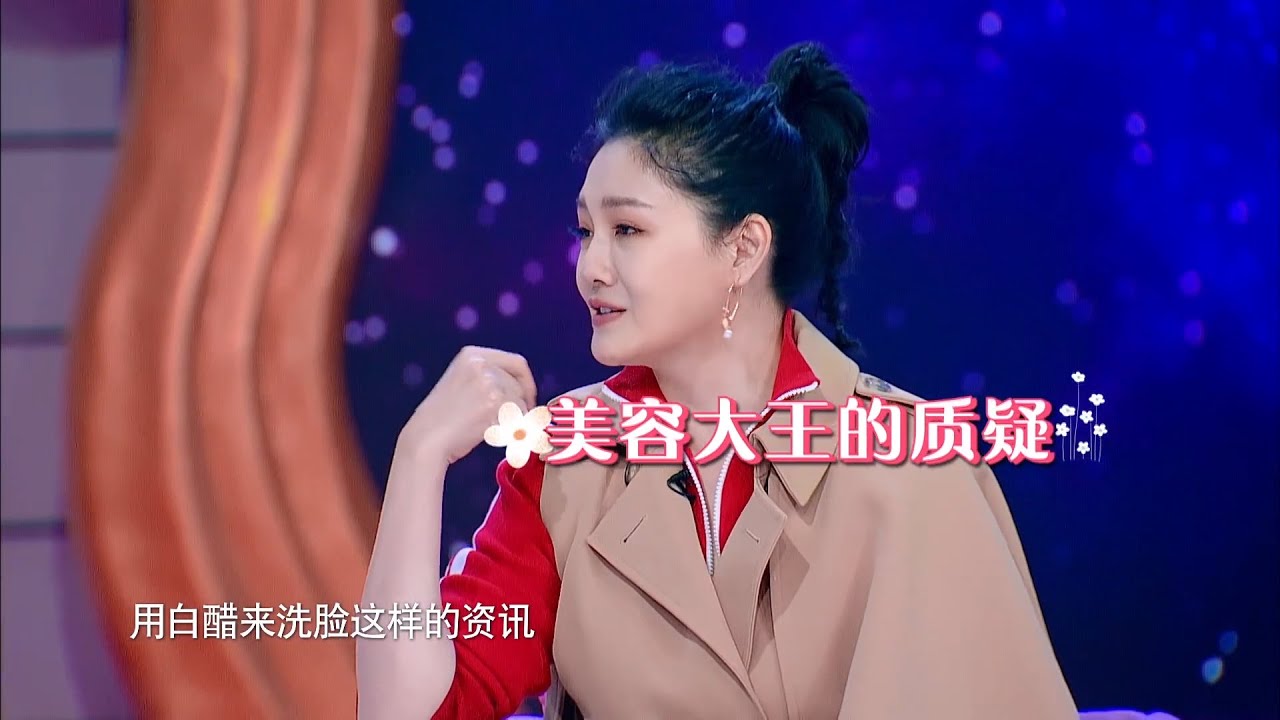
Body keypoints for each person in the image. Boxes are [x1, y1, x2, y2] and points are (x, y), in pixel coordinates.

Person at [358, 42, 1126, 719]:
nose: (590, 267)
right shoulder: (564, 462)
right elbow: (412, 710)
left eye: (627, 229)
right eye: (585, 231)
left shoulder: (915, 472)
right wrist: (418, 458)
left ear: (743, 248)